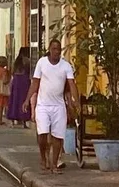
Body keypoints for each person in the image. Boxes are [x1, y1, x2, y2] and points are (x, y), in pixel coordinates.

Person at [23, 39, 79, 174]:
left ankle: (54, 164)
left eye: (58, 49)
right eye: (54, 49)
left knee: (58, 137)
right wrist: (27, 100)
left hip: (58, 106)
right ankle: (43, 158)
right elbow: (35, 83)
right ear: (49, 49)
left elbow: (71, 84)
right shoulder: (42, 63)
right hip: (43, 105)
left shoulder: (66, 66)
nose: (56, 52)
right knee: (42, 134)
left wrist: (75, 101)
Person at [5, 49, 31, 127]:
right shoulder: (27, 61)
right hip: (24, 81)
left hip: (16, 81)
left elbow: (12, 71)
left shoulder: (16, 61)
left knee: (14, 100)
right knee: (23, 100)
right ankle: (24, 122)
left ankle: (12, 121)